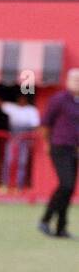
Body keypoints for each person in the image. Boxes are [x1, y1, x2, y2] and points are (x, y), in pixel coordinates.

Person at [39, 68, 79, 238]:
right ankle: (45, 219)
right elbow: (45, 123)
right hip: (59, 147)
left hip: (74, 149)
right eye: (76, 80)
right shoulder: (59, 100)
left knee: (69, 189)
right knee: (66, 184)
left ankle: (61, 227)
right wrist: (47, 143)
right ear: (68, 81)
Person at [0, 93, 39, 192]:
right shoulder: (13, 108)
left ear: (27, 99)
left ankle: (19, 186)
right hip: (13, 139)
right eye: (20, 98)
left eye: (23, 98)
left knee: (22, 162)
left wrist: (33, 140)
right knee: (8, 161)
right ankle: (5, 184)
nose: (21, 100)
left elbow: (36, 127)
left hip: (25, 140)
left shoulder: (31, 110)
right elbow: (0, 104)